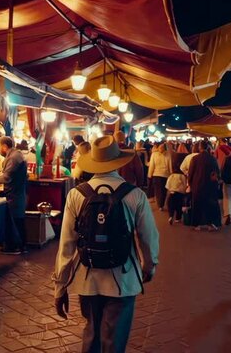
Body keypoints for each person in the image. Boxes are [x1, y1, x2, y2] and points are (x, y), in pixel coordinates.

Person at [53, 135, 159, 353]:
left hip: (87, 277)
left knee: (91, 333)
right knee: (114, 340)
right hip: (123, 277)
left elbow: (66, 245)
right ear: (117, 162)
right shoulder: (135, 195)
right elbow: (148, 237)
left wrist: (60, 286)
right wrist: (149, 266)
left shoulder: (76, 195)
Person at [0, 136, 28, 254]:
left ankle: (15, 247)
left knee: (15, 220)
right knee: (18, 220)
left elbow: (6, 178)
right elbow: (8, 174)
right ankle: (21, 246)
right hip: (18, 193)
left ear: (5, 146)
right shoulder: (16, 155)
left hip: (14, 195)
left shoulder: (13, 158)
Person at [188, 141, 221, 231]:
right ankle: (210, 223)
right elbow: (217, 172)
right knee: (209, 204)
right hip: (210, 185)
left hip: (197, 184)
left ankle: (196, 224)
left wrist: (190, 183)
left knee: (197, 205)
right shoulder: (212, 158)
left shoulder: (195, 158)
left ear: (200, 147)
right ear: (207, 147)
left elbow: (190, 173)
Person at [148, 143, 171, 211]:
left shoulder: (154, 154)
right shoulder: (168, 154)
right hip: (164, 175)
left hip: (157, 175)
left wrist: (150, 175)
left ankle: (160, 205)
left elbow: (152, 165)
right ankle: (161, 204)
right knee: (163, 191)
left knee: (158, 191)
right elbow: (170, 165)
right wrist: (171, 174)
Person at [165, 156, 187, 225]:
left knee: (171, 206)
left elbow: (167, 185)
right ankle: (178, 218)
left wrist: (169, 189)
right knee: (178, 206)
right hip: (180, 193)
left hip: (172, 193)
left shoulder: (171, 176)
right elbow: (185, 185)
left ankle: (171, 216)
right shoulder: (182, 176)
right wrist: (184, 192)